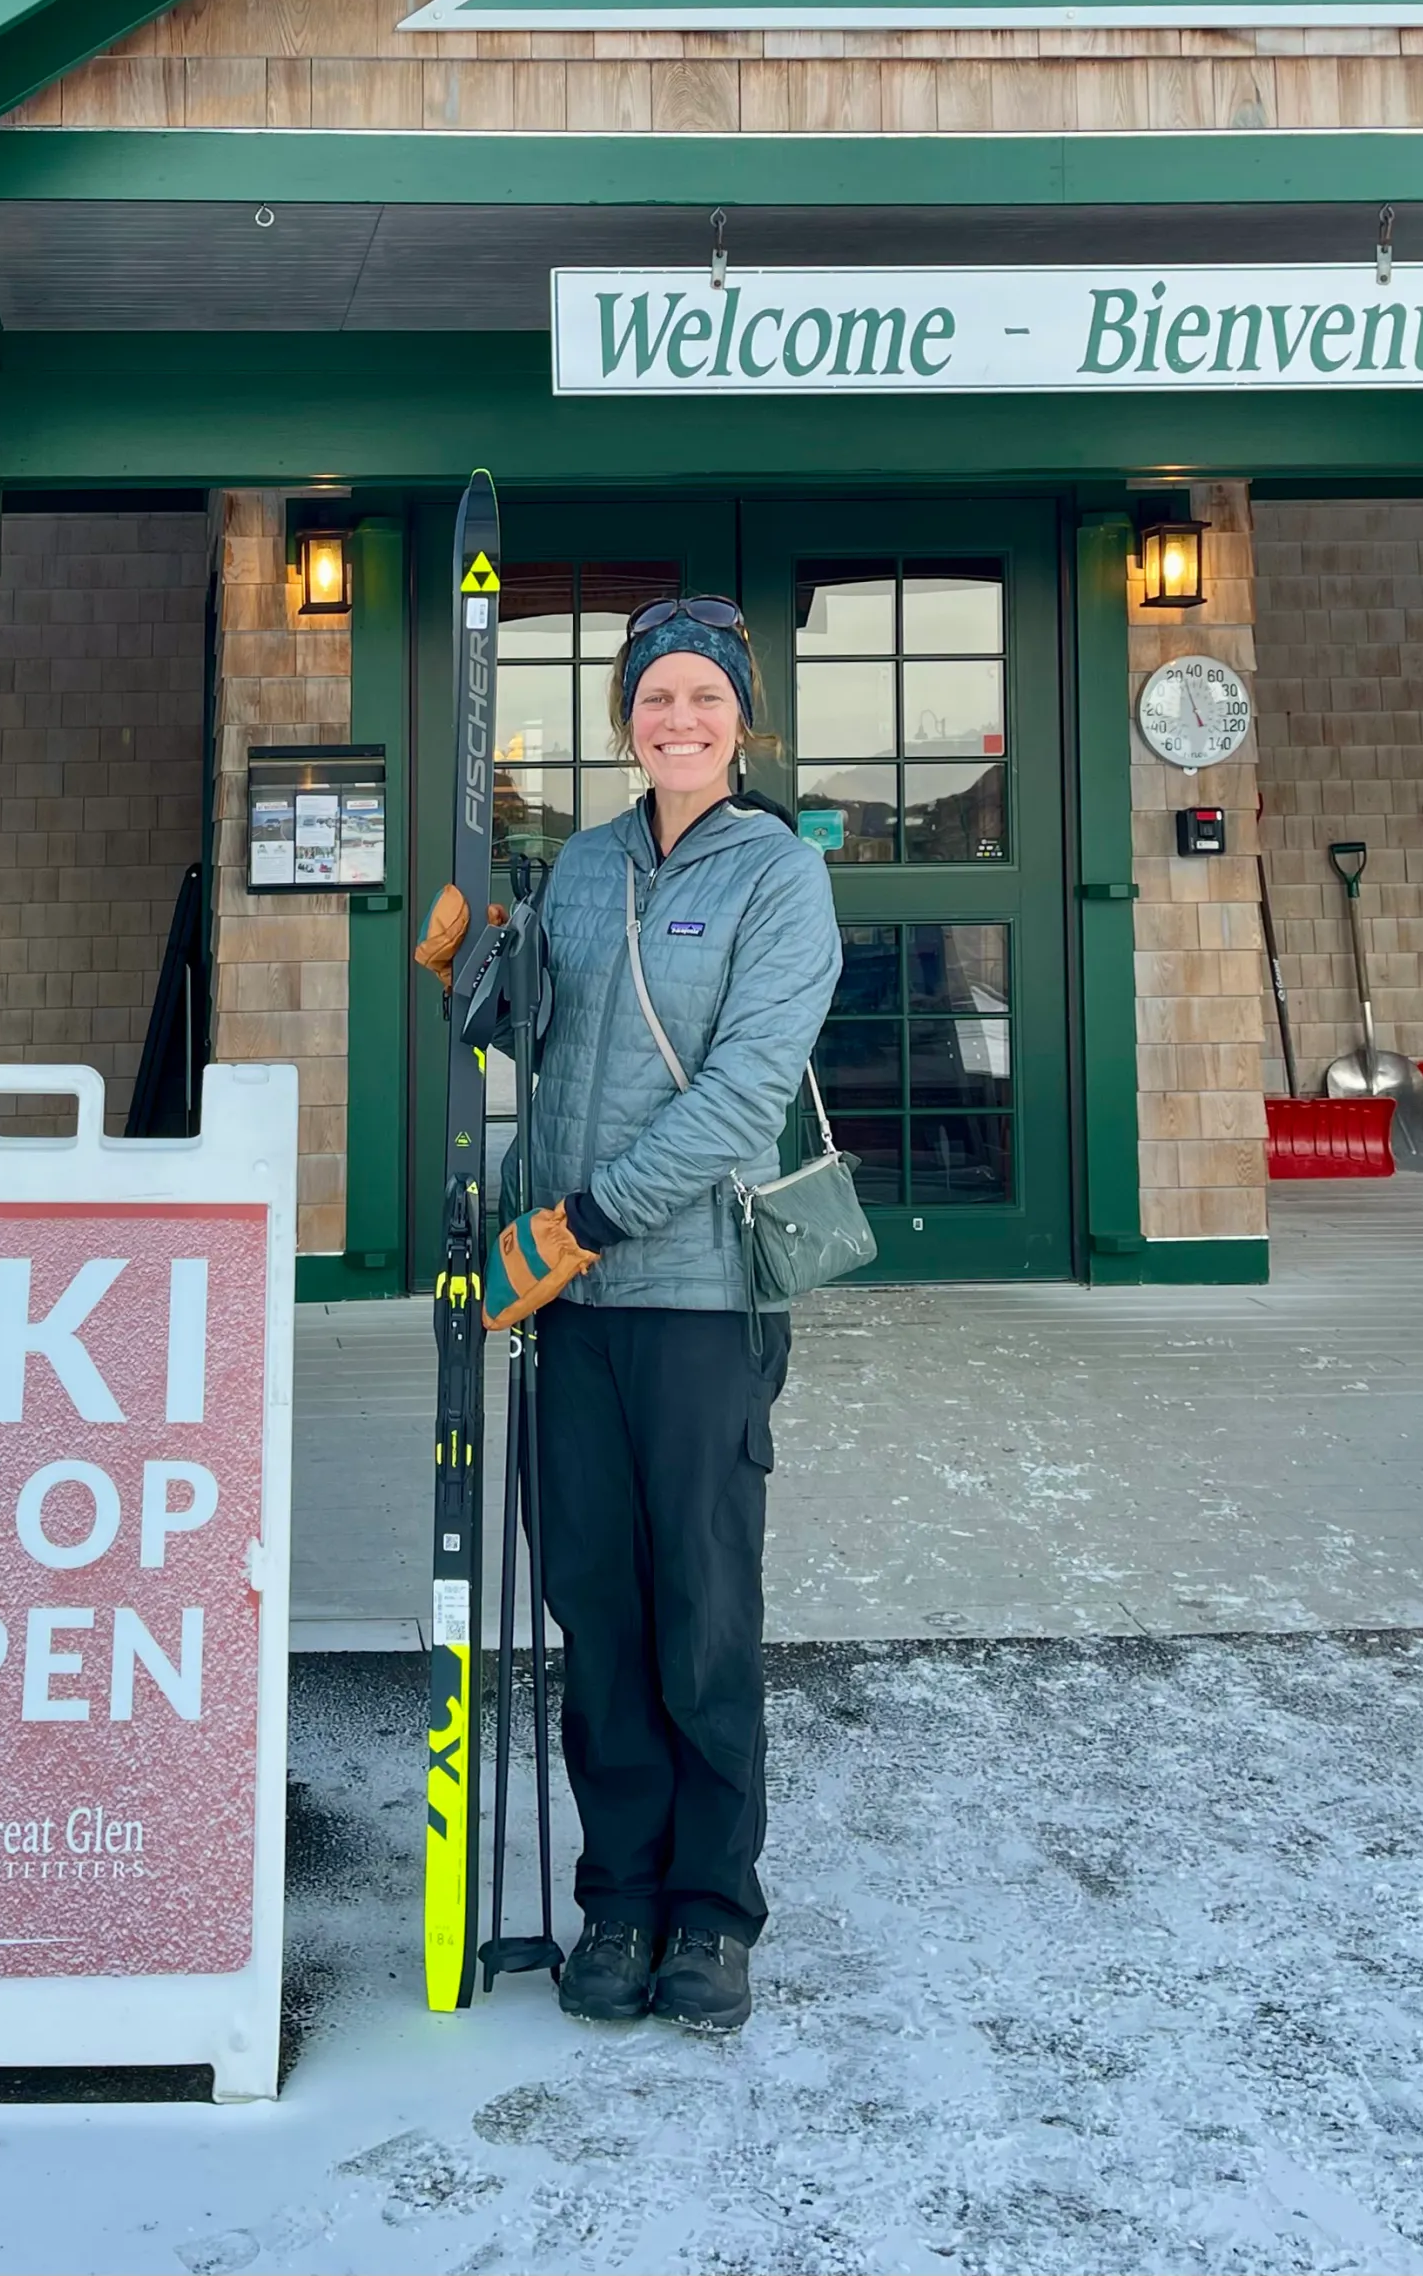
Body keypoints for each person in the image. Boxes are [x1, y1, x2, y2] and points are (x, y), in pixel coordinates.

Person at [418, 594, 840, 2034]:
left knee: (701, 1615)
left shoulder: (780, 875)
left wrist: (585, 1223)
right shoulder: (583, 866)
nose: (679, 721)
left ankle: (712, 1916)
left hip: (698, 1299)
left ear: (741, 720)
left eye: (704, 701)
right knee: (591, 1608)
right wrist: (472, 980)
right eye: (655, 700)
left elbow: (739, 1096)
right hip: (568, 1309)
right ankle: (619, 1898)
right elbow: (543, 1044)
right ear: (624, 720)